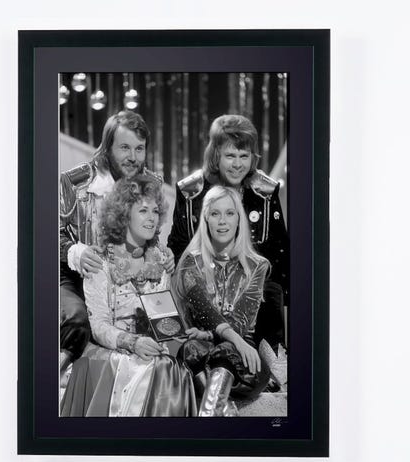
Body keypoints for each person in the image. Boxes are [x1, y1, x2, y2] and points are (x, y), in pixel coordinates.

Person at [60, 175, 196, 417]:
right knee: (153, 369)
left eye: (155, 211)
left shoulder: (161, 262)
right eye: (143, 210)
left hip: (149, 354)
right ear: (123, 215)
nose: (152, 217)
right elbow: (98, 325)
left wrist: (168, 340)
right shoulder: (100, 262)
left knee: (173, 369)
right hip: (109, 353)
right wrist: (131, 342)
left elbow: (163, 322)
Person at [59, 111, 173, 383]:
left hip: (125, 277)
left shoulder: (151, 183)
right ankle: (58, 385)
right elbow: (46, 234)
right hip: (77, 276)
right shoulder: (75, 182)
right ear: (107, 147)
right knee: (78, 321)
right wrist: (76, 252)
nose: (133, 157)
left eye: (139, 149)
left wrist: (163, 253)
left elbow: (151, 233)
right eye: (124, 147)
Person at [167, 114, 288, 350]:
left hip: (253, 295)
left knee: (272, 291)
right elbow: (179, 249)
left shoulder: (265, 192)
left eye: (244, 156)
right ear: (215, 155)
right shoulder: (191, 192)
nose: (237, 164)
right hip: (202, 292)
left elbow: (278, 255)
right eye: (230, 156)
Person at [173, 186, 270, 416]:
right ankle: (216, 414)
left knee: (235, 356)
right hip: (202, 353)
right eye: (215, 214)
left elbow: (241, 320)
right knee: (191, 350)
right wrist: (213, 338)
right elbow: (206, 311)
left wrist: (213, 335)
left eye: (230, 213)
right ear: (206, 219)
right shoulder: (191, 263)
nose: (223, 221)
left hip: (239, 357)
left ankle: (211, 415)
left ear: (239, 219)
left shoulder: (257, 265)